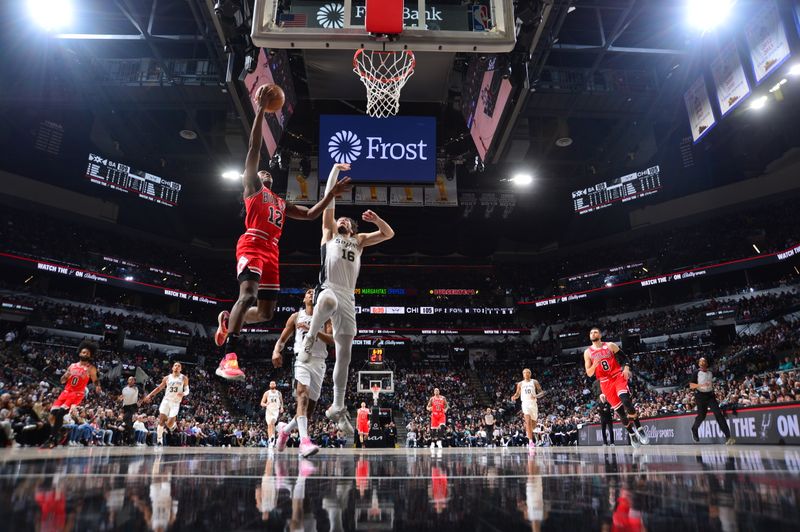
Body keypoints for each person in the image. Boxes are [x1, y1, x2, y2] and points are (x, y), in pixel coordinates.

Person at [214, 85, 351, 381]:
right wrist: (261, 110)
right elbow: (253, 149)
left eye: (268, 174)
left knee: (265, 313)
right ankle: (228, 357)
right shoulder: (252, 189)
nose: (265, 174)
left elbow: (313, 214)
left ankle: (228, 320)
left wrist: (332, 192)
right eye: (261, 172)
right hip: (252, 242)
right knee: (247, 295)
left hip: (272, 250)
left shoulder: (279, 201)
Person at [298, 162, 395, 435]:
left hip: (348, 297)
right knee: (327, 302)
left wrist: (376, 220)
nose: (341, 221)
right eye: (339, 219)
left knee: (345, 355)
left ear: (352, 228)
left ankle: (337, 406)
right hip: (328, 286)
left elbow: (389, 234)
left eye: (346, 221)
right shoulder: (328, 233)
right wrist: (335, 172)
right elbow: (329, 199)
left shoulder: (359, 240)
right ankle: (309, 339)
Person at [271, 289, 335, 458]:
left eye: (315, 292)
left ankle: (285, 430)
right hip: (302, 361)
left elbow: (332, 340)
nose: (311, 294)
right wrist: (276, 352)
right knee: (303, 396)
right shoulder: (295, 317)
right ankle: (304, 441)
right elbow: (282, 339)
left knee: (308, 411)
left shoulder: (326, 317)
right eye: (308, 292)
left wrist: (312, 329)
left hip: (319, 363)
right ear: (304, 298)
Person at [584, 328, 649, 448]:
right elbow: (589, 373)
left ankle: (639, 428)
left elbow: (625, 358)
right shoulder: (587, 352)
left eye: (595, 332)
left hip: (617, 376)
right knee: (620, 412)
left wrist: (626, 368)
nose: (593, 334)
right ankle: (631, 434)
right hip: (605, 383)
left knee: (626, 401)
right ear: (589, 336)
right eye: (591, 333)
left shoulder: (610, 345)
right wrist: (594, 364)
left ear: (600, 334)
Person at [46, 340, 101, 447]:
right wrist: (64, 377)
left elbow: (95, 380)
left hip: (76, 394)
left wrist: (98, 386)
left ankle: (52, 438)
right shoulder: (72, 366)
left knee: (61, 412)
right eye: (83, 352)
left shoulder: (91, 368)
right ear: (80, 353)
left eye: (87, 353)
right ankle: (62, 431)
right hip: (65, 392)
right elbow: (63, 380)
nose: (85, 354)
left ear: (90, 356)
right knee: (52, 416)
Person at [141, 362, 189, 446]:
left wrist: (183, 394)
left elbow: (187, 390)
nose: (177, 367)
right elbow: (159, 388)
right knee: (162, 420)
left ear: (181, 369)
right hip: (166, 400)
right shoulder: (167, 378)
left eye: (179, 366)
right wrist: (149, 395)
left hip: (175, 402)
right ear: (172, 368)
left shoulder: (184, 378)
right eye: (175, 365)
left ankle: (173, 425)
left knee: (169, 424)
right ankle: (159, 439)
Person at [690, 357, 735, 445]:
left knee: (719, 414)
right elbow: (691, 385)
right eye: (701, 362)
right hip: (700, 396)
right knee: (701, 416)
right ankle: (694, 429)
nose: (702, 364)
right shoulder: (696, 372)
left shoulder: (710, 372)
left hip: (710, 396)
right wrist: (702, 385)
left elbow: (719, 375)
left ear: (706, 364)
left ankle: (728, 436)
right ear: (699, 364)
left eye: (704, 362)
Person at [511, 368, 545, 450]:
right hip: (525, 403)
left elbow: (542, 392)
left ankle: (528, 432)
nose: (526, 374)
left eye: (527, 373)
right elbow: (517, 394)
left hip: (533, 404)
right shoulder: (520, 384)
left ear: (530, 374)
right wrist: (514, 397)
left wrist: (536, 396)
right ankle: (530, 441)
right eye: (524, 373)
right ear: (523, 375)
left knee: (533, 425)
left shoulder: (534, 382)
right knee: (528, 421)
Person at [259, 381, 283, 448]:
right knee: (269, 425)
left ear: (275, 385)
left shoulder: (278, 393)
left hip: (275, 411)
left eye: (273, 383)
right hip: (269, 410)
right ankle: (270, 440)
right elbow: (262, 403)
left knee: (272, 422)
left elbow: (281, 401)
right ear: (269, 385)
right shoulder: (267, 393)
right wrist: (265, 404)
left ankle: (273, 438)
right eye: (271, 383)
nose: (272, 384)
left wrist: (282, 407)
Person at [120, 376, 139, 445]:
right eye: (129, 380)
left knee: (125, 418)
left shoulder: (137, 388)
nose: (130, 381)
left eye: (132, 380)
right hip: (125, 406)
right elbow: (122, 397)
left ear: (134, 381)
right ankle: (131, 441)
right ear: (128, 381)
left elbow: (143, 395)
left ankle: (123, 425)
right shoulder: (124, 389)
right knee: (130, 425)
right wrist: (120, 399)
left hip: (133, 406)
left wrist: (140, 401)